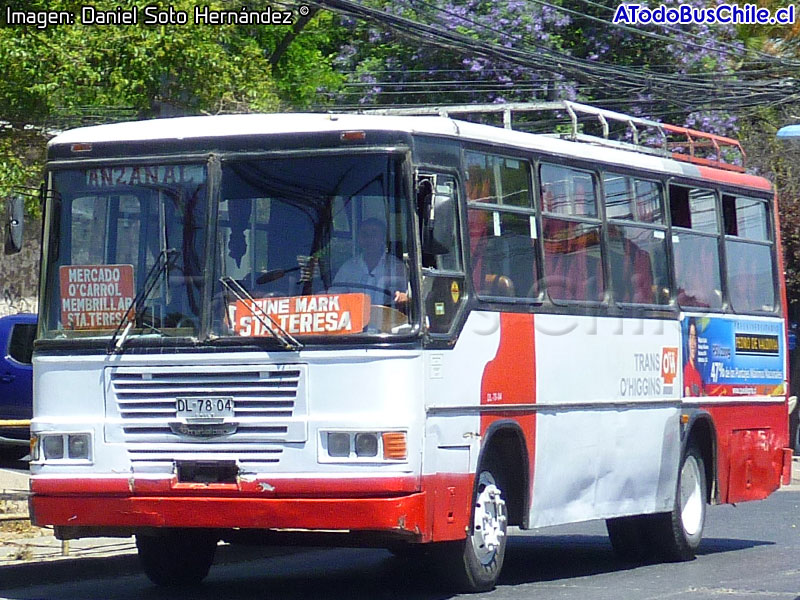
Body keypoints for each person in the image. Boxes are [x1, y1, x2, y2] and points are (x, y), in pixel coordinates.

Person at [333, 218, 408, 307]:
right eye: (365, 235)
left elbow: (409, 297)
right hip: (354, 318)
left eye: (374, 234)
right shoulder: (348, 267)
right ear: (359, 239)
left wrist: (403, 298)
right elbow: (334, 296)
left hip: (387, 319)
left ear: (383, 238)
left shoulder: (397, 267)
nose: (369, 239)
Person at [684, 318, 703, 396]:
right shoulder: (687, 370)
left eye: (695, 338)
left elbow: (701, 395)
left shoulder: (697, 373)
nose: (693, 344)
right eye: (691, 337)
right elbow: (687, 394)